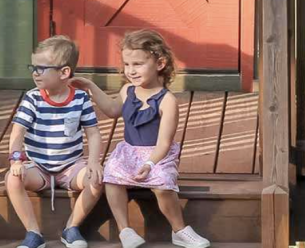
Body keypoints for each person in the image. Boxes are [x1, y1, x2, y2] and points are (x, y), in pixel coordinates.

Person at [71, 30, 211, 248]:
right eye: (127, 64)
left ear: (160, 63)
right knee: (111, 176)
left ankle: (179, 230)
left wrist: (149, 163)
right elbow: (111, 109)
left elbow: (164, 143)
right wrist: (90, 86)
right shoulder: (128, 90)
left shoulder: (167, 101)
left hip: (157, 155)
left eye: (137, 64)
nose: (131, 71)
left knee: (163, 185)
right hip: (130, 150)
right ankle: (125, 230)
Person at [6, 35, 104, 248]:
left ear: (64, 72)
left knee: (96, 181)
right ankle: (33, 232)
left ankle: (72, 227)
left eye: (41, 68)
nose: (35, 72)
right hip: (38, 167)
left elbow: (93, 133)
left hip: (71, 166)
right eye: (33, 67)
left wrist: (94, 162)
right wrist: (16, 160)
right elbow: (17, 133)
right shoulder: (32, 98)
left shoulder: (80, 98)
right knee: (12, 180)